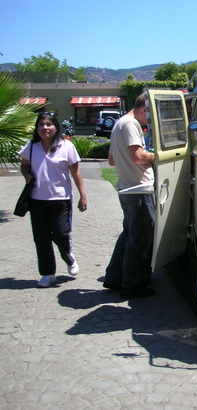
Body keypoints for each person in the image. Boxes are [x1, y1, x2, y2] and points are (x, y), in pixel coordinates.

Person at [19, 112, 88, 288]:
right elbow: (24, 165)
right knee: (41, 238)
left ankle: (68, 256)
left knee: (60, 233)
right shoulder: (32, 146)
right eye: (41, 125)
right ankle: (48, 274)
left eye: (49, 124)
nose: (45, 128)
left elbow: (76, 172)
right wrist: (26, 175)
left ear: (56, 127)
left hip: (61, 199)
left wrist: (83, 195)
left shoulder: (67, 146)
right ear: (37, 128)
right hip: (37, 199)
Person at [103, 93, 156, 299]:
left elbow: (111, 160)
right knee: (140, 240)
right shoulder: (131, 124)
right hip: (138, 190)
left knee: (128, 236)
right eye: (150, 115)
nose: (150, 122)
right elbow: (138, 156)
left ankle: (114, 278)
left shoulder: (119, 123)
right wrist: (157, 155)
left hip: (126, 189)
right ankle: (132, 285)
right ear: (145, 109)